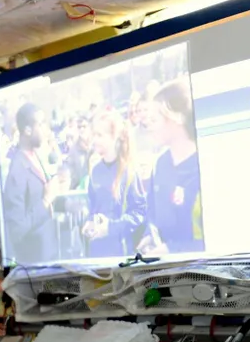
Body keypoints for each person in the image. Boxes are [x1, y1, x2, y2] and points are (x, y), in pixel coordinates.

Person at [137, 79, 204, 256]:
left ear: (176, 118)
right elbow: (153, 212)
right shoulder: (160, 163)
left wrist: (173, 250)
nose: (149, 126)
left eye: (155, 119)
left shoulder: (204, 162)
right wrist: (149, 236)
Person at [1, 102, 64, 265]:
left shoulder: (35, 157)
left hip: (49, 256)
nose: (46, 129)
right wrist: (45, 201)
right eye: (41, 124)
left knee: (71, 288)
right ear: (27, 130)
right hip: (35, 266)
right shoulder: (17, 170)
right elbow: (17, 229)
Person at [81, 109, 146, 259]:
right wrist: (89, 223)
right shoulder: (95, 170)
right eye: (94, 135)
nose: (95, 140)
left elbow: (140, 212)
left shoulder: (129, 171)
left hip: (121, 253)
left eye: (100, 135)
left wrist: (111, 228)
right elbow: (93, 206)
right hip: (97, 251)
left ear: (114, 137)